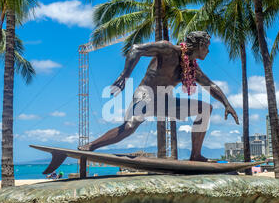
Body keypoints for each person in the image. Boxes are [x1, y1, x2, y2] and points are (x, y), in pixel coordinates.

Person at [79, 32, 239, 161]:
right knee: (128, 128)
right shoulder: (168, 49)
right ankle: (91, 145)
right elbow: (136, 49)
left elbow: (210, 85)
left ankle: (195, 155)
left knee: (204, 108)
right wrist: (125, 75)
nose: (209, 51)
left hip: (164, 101)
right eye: (207, 47)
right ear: (200, 45)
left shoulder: (191, 69)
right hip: (145, 95)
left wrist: (227, 104)